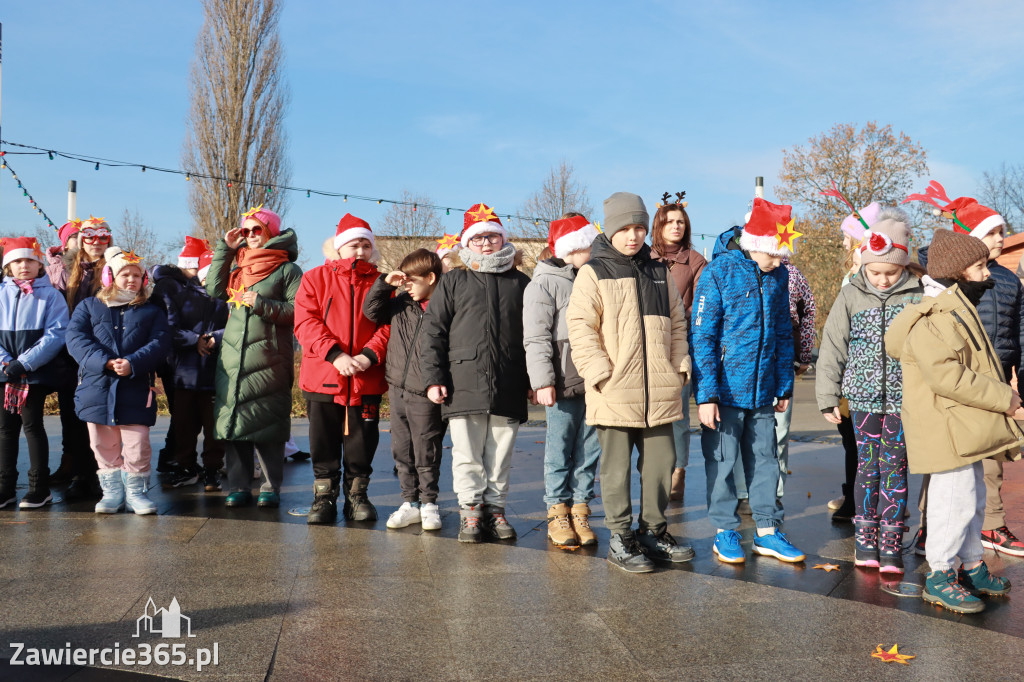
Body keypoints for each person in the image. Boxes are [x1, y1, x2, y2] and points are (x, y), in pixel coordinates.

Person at [886, 228, 1023, 613]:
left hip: (959, 427)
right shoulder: (935, 317)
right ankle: (940, 574)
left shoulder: (958, 308)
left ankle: (971, 563)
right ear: (956, 272)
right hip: (943, 428)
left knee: (973, 497)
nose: (987, 274)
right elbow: (948, 377)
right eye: (979, 266)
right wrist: (1006, 399)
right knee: (952, 502)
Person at [568, 192, 693, 572]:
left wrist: (679, 366)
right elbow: (580, 328)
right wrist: (601, 373)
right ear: (611, 230)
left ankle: (653, 531)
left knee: (660, 464)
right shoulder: (594, 271)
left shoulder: (659, 271)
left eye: (639, 228)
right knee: (616, 468)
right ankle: (621, 538)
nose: (634, 236)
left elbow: (676, 324)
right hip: (614, 390)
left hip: (660, 389)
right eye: (625, 228)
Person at [691, 198, 804, 565]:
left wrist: (783, 383)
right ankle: (725, 529)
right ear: (757, 244)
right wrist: (705, 394)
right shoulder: (718, 272)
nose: (779, 261)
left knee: (766, 460)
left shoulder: (779, 275)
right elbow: (703, 336)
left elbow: (784, 332)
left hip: (762, 391)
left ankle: (768, 530)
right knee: (722, 462)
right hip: (724, 391)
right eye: (775, 254)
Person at [816, 208, 921, 573]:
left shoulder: (917, 295)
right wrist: (828, 395)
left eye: (890, 272)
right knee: (867, 467)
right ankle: (865, 541)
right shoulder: (851, 295)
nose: (881, 279)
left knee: (895, 467)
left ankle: (891, 541)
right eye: (874, 271)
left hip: (902, 400)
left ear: (904, 266)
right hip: (861, 398)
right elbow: (833, 345)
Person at [421, 204, 531, 543]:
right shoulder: (454, 280)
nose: (486, 243)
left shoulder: (522, 283)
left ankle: (495, 509)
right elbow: (433, 331)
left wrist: (534, 380)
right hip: (462, 381)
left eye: (493, 236)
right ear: (468, 242)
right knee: (467, 453)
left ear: (503, 239)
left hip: (509, 380)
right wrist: (434, 377)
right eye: (479, 237)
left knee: (500, 454)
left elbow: (534, 335)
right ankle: (470, 512)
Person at [295, 214, 390, 525]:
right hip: (324, 375)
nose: (359, 251)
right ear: (339, 248)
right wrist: (334, 355)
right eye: (353, 245)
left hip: (366, 377)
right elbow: (306, 323)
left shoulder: (382, 282)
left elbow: (390, 326)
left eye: (365, 245)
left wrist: (368, 355)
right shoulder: (314, 279)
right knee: (322, 441)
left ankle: (357, 494)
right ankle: (324, 496)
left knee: (362, 441)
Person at [206, 206, 302, 508]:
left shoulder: (287, 270)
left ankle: (270, 487)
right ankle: (239, 486)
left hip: (270, 357)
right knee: (235, 424)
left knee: (267, 424)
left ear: (271, 231)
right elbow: (213, 288)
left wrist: (262, 303)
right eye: (245, 231)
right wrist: (225, 248)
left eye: (256, 230)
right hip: (233, 359)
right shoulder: (239, 266)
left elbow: (299, 311)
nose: (250, 236)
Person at [66, 246, 172, 514]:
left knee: (137, 444)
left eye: (137, 275)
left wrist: (134, 363)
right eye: (125, 274)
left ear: (144, 280)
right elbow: (76, 339)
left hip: (135, 388)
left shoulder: (151, 311)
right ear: (110, 277)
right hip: (96, 388)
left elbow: (160, 342)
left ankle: (136, 493)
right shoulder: (89, 307)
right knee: (103, 444)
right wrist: (105, 361)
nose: (131, 280)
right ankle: (112, 493)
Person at [526, 214, 602, 547]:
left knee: (589, 449)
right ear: (574, 247)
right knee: (560, 448)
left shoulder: (594, 276)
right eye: (590, 245)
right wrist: (542, 381)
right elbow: (536, 336)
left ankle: (580, 508)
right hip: (564, 378)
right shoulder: (543, 283)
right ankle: (558, 510)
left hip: (597, 377)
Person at [363, 248, 445, 531]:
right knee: (402, 448)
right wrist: (386, 283)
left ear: (431, 278)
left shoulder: (445, 305)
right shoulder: (400, 303)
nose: (407, 285)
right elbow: (371, 310)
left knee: (427, 447)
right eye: (404, 280)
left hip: (425, 390)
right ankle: (410, 502)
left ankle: (429, 502)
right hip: (397, 385)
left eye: (412, 280)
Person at [0, 238, 69, 509]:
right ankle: (5, 487)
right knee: (5, 430)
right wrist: (6, 364)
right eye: (17, 261)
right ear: (8, 266)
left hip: (34, 372)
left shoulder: (50, 295)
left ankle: (39, 487)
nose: (23, 266)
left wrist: (25, 363)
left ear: (40, 265)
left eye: (29, 260)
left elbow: (56, 333)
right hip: (5, 373)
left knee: (32, 427)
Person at [47, 216, 112, 502]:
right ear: (80, 239)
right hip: (68, 355)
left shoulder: (113, 267)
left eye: (103, 237)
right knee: (72, 417)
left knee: (99, 417)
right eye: (90, 237)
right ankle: (78, 474)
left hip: (100, 353)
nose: (96, 243)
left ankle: (100, 474)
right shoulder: (64, 270)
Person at [650, 194, 706, 501]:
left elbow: (700, 308)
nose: (676, 226)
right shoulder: (643, 258)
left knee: (679, 414)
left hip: (680, 345)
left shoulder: (695, 261)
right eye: (670, 221)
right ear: (658, 225)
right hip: (646, 344)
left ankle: (677, 471)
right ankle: (654, 468)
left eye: (681, 222)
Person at [160, 247, 228, 492]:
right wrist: (194, 340)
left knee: (214, 428)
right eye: (207, 273)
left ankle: (212, 470)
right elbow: (169, 327)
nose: (211, 278)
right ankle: (187, 467)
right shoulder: (182, 296)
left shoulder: (228, 299)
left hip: (216, 375)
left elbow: (237, 327)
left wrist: (215, 337)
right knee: (184, 426)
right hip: (186, 374)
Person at [150, 236, 212, 475]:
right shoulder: (169, 286)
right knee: (182, 413)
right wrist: (194, 339)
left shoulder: (181, 285)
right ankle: (173, 458)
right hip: (174, 358)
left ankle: (172, 457)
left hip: (183, 356)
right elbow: (167, 326)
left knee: (183, 413)